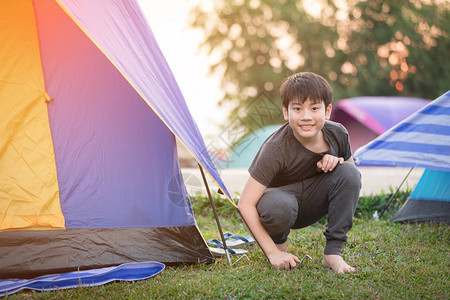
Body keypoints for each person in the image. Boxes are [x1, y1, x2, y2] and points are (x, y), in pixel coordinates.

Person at [238, 72, 361, 273]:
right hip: (279, 206)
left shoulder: (338, 134)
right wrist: (272, 253)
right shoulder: (276, 147)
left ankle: (332, 253)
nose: (306, 116)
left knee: (348, 172)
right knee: (279, 206)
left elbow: (351, 180)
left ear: (327, 111)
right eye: (297, 108)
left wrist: (336, 162)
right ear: (286, 112)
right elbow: (245, 204)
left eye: (314, 108)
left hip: (311, 203)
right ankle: (279, 246)